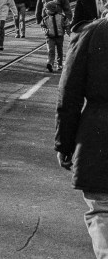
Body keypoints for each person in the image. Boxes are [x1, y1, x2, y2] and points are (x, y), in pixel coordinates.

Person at [55, 17, 108, 259]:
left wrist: (64, 144)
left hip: (99, 140)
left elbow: (69, 94)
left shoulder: (91, 34)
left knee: (102, 211)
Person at [41, 0, 67, 72]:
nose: (46, 10)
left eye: (47, 9)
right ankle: (50, 63)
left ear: (51, 9)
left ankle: (59, 64)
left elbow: (66, 24)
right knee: (51, 50)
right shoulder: (45, 19)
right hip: (50, 37)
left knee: (60, 51)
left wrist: (69, 32)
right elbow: (43, 26)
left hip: (59, 36)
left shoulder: (61, 17)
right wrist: (45, 30)